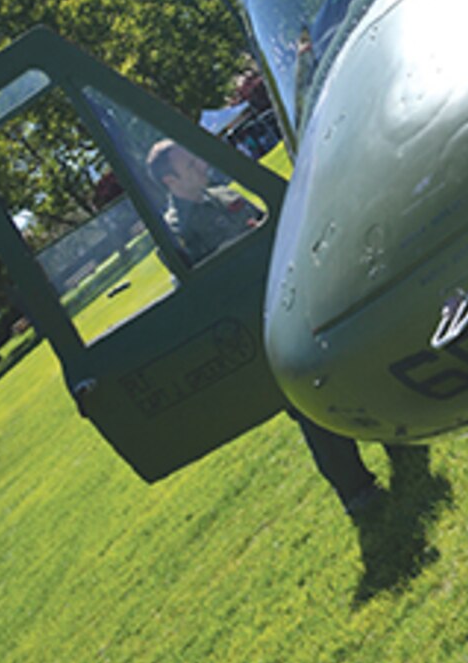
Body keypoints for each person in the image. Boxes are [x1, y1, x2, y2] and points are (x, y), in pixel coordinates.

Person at [147, 137, 387, 519]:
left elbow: (269, 223)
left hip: (294, 296)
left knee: (350, 362)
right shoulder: (174, 234)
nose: (200, 166)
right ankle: (356, 491)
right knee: (308, 400)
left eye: (195, 158)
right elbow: (197, 295)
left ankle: (394, 438)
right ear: (171, 182)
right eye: (189, 166)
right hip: (260, 324)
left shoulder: (222, 195)